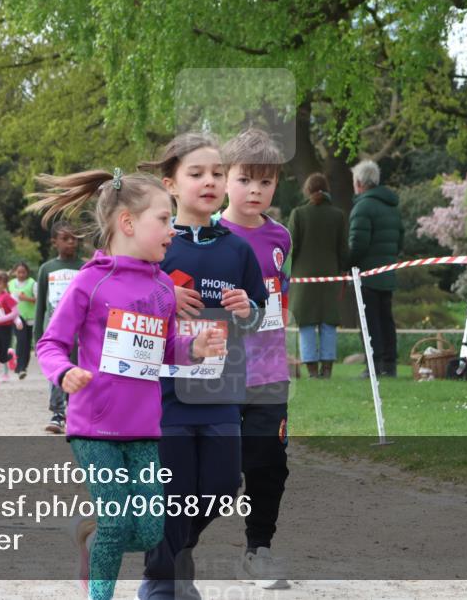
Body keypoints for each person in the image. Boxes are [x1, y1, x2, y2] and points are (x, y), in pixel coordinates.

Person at [33, 167, 224, 600]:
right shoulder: (90, 281)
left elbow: (166, 347)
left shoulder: (162, 286)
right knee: (119, 522)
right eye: (164, 219)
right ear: (128, 223)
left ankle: (91, 534)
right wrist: (64, 373)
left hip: (144, 431)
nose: (172, 231)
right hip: (93, 428)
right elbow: (50, 343)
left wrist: (195, 349)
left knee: (151, 529)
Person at [138, 134, 268, 600]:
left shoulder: (237, 250)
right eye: (196, 174)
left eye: (217, 173)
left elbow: (259, 312)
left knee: (220, 487)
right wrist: (162, 296)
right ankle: (162, 580)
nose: (209, 181)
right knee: (173, 493)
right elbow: (120, 302)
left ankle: (174, 554)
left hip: (220, 390)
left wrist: (244, 309)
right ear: (170, 183)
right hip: (163, 394)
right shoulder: (154, 244)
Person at [218, 128, 291, 589]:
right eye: (245, 180)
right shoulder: (204, 234)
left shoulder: (281, 235)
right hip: (214, 374)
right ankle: (169, 549)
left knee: (269, 463)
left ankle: (257, 550)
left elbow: (280, 299)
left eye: (265, 182)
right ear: (225, 179)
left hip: (268, 371)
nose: (255, 191)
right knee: (216, 475)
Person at [288, 172, 349, 378]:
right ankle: (327, 370)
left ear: (307, 190)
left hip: (303, 279)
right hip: (330, 277)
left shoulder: (298, 214)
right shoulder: (338, 215)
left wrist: (284, 271)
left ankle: (312, 371)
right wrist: (344, 272)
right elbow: (343, 250)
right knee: (328, 322)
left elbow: (291, 248)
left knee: (306, 323)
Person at [349, 159, 404, 378]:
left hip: (367, 274)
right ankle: (389, 364)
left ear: (360, 183)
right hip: (387, 271)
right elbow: (399, 240)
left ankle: (375, 364)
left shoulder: (362, 207)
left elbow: (358, 244)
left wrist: (347, 264)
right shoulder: (392, 207)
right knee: (386, 319)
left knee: (369, 321)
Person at [34, 220, 84, 434]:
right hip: (55, 331)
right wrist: (38, 334)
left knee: (77, 371)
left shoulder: (85, 267)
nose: (71, 242)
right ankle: (57, 412)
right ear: (55, 242)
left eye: (74, 238)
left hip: (80, 332)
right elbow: (41, 304)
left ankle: (75, 413)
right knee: (58, 369)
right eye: (65, 239)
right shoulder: (47, 269)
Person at [8, 262, 37, 380]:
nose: (21, 274)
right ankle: (20, 367)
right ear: (15, 272)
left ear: (27, 272)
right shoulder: (10, 284)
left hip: (30, 317)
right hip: (16, 316)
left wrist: (26, 298)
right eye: (18, 272)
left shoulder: (33, 283)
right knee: (21, 340)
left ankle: (23, 366)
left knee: (27, 342)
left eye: (23, 272)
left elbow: (37, 300)